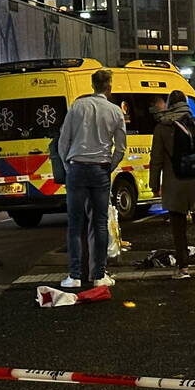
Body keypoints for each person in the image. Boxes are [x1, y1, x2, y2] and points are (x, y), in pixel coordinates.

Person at [57, 69, 126, 288]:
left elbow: (63, 142)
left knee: (75, 224)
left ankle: (74, 276)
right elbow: (120, 148)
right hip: (100, 169)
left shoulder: (77, 107)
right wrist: (109, 167)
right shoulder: (115, 111)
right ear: (109, 86)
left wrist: (68, 166)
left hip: (77, 168)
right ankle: (99, 275)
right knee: (99, 224)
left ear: (92, 85)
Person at [149, 90, 195, 279]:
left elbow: (156, 160)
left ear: (170, 104)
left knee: (178, 228)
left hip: (174, 183)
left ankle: (183, 268)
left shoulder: (162, 127)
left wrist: (154, 184)